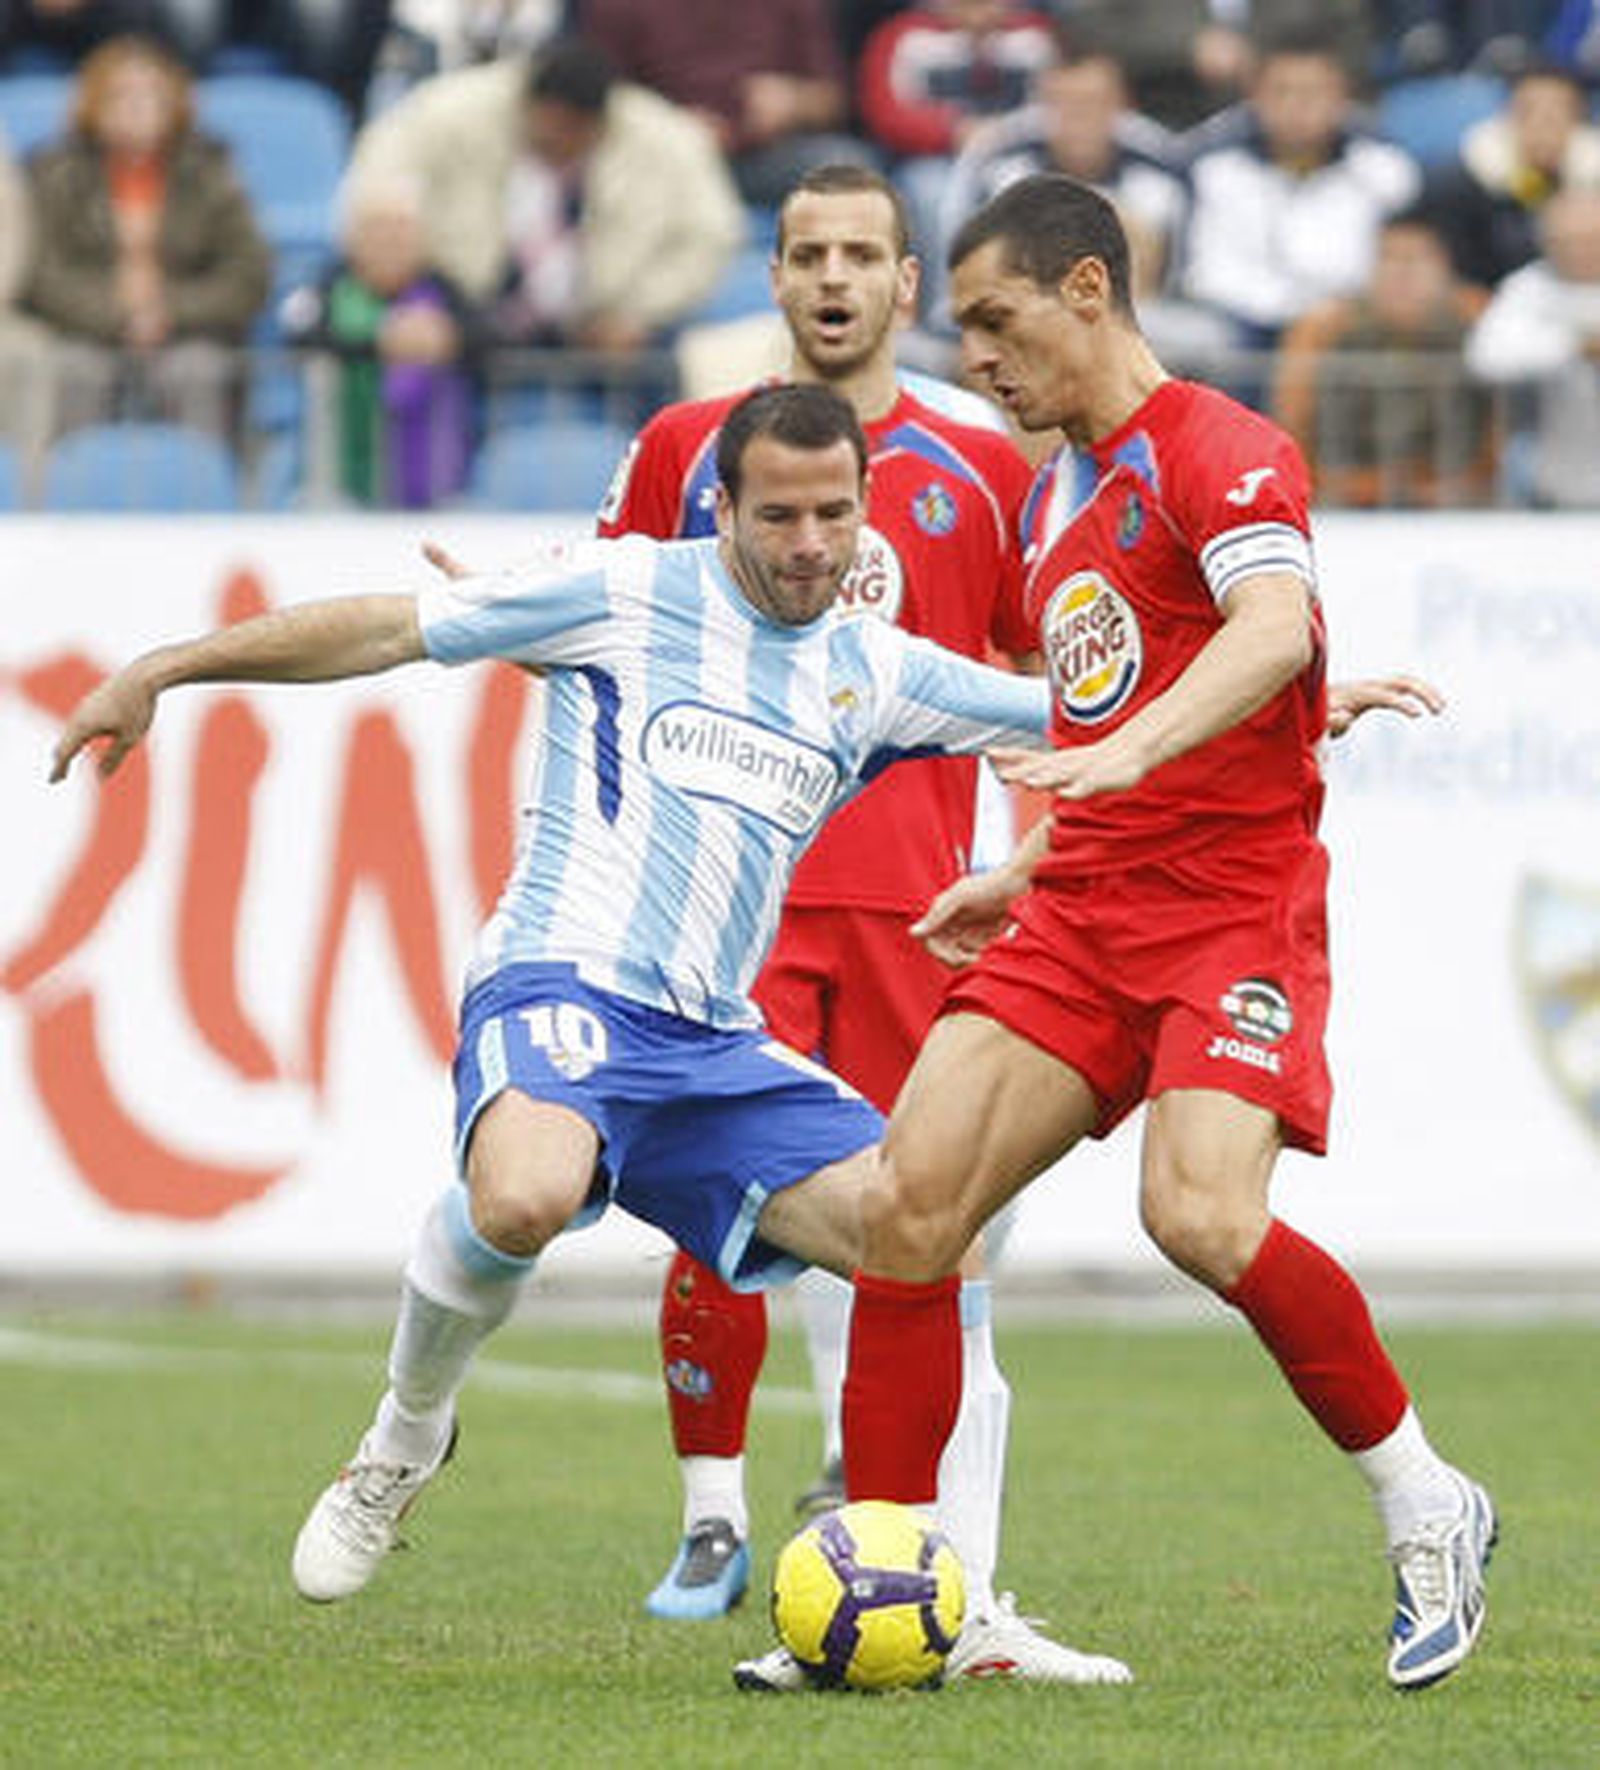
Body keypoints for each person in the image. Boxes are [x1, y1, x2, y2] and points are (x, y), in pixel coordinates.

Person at [47, 382, 1130, 1691]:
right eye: (777, 514)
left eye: (833, 514)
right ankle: (404, 1434)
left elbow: (1082, 721)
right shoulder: (621, 591)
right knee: (524, 1192)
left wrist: (1280, 691)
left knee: (932, 1227)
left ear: (863, 511)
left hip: (714, 1047)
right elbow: (385, 630)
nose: (807, 544)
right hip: (562, 980)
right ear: (721, 507)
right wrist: (164, 666)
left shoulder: (873, 666)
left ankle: (953, 1596)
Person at [732, 174, 1497, 1696]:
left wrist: (1141, 751)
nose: (987, 359)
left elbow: (1274, 632)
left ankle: (1430, 1502)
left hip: (1228, 913)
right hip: (1080, 912)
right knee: (911, 1200)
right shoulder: (1054, 501)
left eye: (1001, 323)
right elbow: (1105, 706)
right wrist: (1026, 871)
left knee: (1199, 1217)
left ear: (1089, 291)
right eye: (968, 333)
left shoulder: (1226, 448)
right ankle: (892, 1587)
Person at [599, 163, 1066, 1673]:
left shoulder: (984, 463)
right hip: (723, 900)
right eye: (807, 253)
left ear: (908, 285)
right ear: (779, 273)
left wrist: (1037, 865)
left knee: (938, 1239)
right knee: (719, 1212)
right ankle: (715, 1508)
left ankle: (953, 1577)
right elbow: (612, 629)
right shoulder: (688, 442)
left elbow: (1032, 690)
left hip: (912, 907)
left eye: (864, 253)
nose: (834, 278)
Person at [346, 37, 744, 356]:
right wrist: (395, 252)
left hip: (604, 331)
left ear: (598, 125)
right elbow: (380, 175)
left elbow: (711, 235)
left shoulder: (665, 141)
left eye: (569, 133)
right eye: (546, 129)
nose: (556, 141)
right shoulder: (450, 113)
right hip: (471, 315)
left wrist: (640, 313)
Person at [23, 33, 271, 443]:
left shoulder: (211, 171)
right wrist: (117, 315)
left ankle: (207, 499)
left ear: (174, 100)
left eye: (150, 93)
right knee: (73, 370)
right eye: (121, 94)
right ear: (93, 104)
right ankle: (64, 501)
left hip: (189, 333)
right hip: (84, 332)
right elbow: (44, 275)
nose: (136, 106)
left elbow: (248, 275)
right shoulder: (56, 173)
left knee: (198, 370)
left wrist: (168, 310)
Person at [1179, 25, 1421, 353]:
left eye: (1312, 93)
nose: (1296, 107)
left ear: (1341, 96)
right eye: (1282, 92)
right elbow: (1205, 271)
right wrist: (1286, 311)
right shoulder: (1212, 165)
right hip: (1241, 326)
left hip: (1351, 327)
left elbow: (1393, 264)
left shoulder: (1386, 168)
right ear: (1255, 95)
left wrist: (1329, 314)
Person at [933, 37, 1187, 330]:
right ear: (1041, 105)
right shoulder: (997, 159)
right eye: (1064, 104)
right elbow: (963, 255)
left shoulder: (1159, 166)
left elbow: (1167, 273)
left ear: (1121, 104)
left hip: (1132, 321)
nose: (1079, 118)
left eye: (1092, 103)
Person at [279, 171, 484, 509]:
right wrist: (377, 341)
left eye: (402, 228)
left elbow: (488, 334)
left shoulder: (442, 288)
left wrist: (448, 338)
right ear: (352, 237)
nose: (390, 240)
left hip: (438, 486)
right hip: (339, 482)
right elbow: (299, 333)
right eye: (377, 228)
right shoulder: (331, 284)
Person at [1272, 207, 1495, 507]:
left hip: (1454, 495)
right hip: (1343, 495)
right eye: (1387, 258)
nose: (1401, 272)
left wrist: (1464, 485)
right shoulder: (1324, 327)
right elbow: (1292, 427)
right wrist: (1337, 486)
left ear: (1446, 266)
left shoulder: (1481, 322)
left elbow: (1502, 431)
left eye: (1416, 259)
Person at [576, 0, 876, 209]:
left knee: (850, 169)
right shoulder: (616, 6)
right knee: (611, 185)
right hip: (663, 166)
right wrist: (671, 127)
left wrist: (794, 101)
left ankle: (878, 299)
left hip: (763, 157)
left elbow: (833, 98)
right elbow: (600, 101)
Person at [1465, 184, 1600, 506]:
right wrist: (1575, 346)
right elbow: (1486, 356)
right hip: (1552, 474)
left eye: (1590, 240)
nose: (1578, 252)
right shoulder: (1528, 288)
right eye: (1566, 242)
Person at [1422, 59, 1600, 293]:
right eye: (1528, 112)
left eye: (1556, 113)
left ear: (1578, 119)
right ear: (1507, 115)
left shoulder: (1592, 182)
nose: (1542, 125)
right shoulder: (1460, 185)